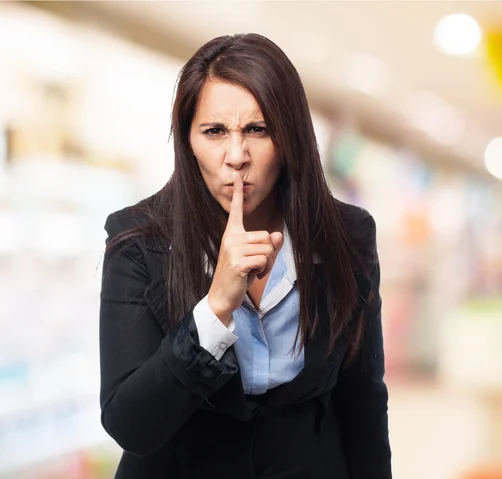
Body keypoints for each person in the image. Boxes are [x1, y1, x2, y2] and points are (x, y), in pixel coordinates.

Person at [99, 33, 392, 479]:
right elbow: (130, 424)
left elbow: (363, 401)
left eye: (257, 129)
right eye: (214, 132)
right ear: (187, 140)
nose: (236, 156)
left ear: (291, 136)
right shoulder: (140, 240)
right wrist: (215, 309)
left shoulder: (345, 235)